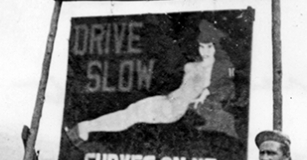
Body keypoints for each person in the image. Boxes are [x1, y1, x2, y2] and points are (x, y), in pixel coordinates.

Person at [65, 19, 238, 143]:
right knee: (130, 112)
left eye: (209, 47)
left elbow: (226, 82)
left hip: (173, 110)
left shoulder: (221, 67)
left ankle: (85, 128)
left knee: (130, 115)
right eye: (202, 46)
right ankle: (85, 128)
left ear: (216, 47)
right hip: (168, 100)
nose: (205, 51)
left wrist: (205, 94)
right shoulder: (192, 66)